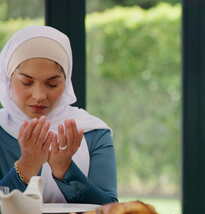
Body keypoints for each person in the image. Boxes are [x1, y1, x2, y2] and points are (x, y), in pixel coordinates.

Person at [0, 26, 117, 204]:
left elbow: (109, 209)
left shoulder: (93, 132)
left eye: (52, 84)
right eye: (27, 82)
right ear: (8, 79)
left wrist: (65, 169)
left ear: (66, 82)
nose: (39, 95)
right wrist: (26, 166)